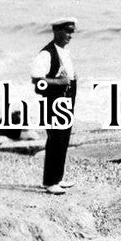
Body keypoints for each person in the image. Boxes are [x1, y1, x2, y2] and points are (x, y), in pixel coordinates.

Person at [30, 18, 78, 195]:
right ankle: (50, 182)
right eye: (67, 31)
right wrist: (60, 81)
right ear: (56, 31)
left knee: (63, 138)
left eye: (72, 32)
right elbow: (36, 79)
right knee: (55, 139)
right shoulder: (47, 53)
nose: (70, 35)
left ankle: (57, 178)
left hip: (65, 101)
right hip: (53, 102)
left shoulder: (63, 50)